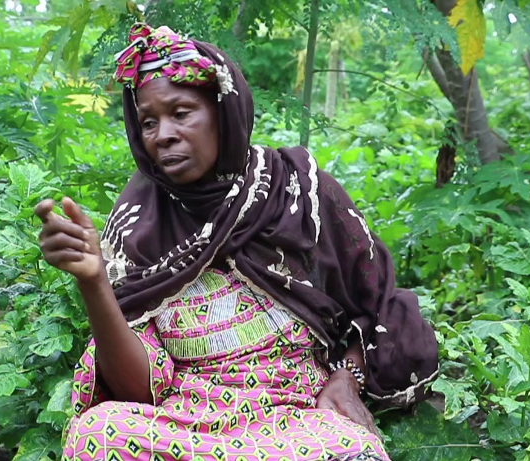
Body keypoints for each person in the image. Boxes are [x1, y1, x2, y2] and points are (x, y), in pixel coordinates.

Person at [35, 22, 438, 461]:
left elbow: (379, 304)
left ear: (224, 111)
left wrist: (347, 378)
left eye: (181, 112)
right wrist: (93, 282)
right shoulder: (136, 222)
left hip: (297, 415)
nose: (162, 134)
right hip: (185, 425)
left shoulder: (297, 190)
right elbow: (140, 391)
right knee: (99, 432)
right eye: (148, 121)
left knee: (349, 451)